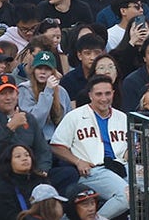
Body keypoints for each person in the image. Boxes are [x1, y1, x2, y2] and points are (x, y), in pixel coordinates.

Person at [50, 74, 128, 218]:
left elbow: (129, 148)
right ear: (90, 95)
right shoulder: (75, 116)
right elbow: (56, 146)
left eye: (107, 93)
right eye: (99, 94)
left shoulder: (122, 117)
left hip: (121, 166)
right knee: (125, 196)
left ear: (113, 94)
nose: (104, 98)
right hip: (93, 170)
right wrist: (77, 161)